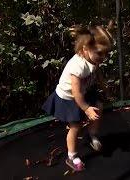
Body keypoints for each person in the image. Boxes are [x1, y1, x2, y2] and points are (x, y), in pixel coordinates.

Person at [42, 22, 113, 171]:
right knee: (76, 126)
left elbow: (96, 72)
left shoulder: (93, 59)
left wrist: (104, 86)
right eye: (100, 53)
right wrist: (86, 109)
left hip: (84, 91)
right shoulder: (77, 66)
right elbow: (76, 93)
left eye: (106, 53)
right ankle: (72, 156)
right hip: (69, 97)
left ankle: (92, 135)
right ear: (85, 48)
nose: (103, 57)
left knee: (99, 106)